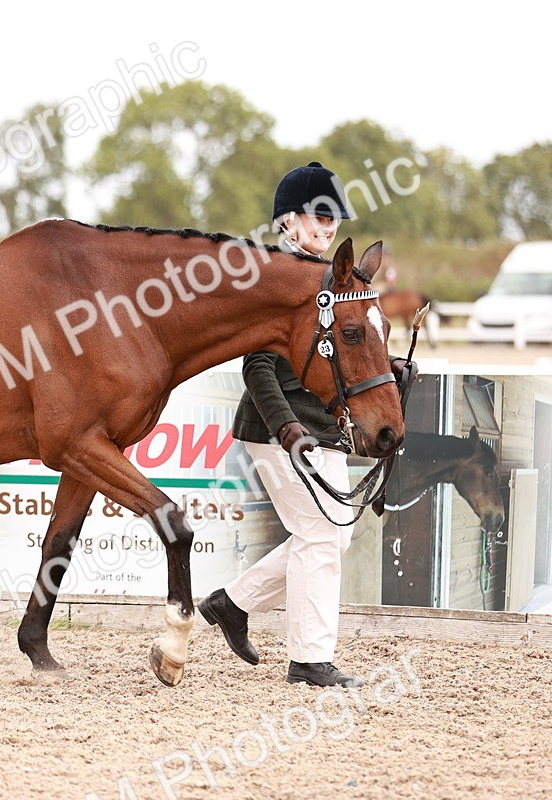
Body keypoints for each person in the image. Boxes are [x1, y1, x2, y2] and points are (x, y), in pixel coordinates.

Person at [197, 162, 408, 688]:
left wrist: (390, 371)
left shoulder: (340, 282)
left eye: (334, 217)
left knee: (330, 539)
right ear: (287, 221)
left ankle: (233, 603)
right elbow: (256, 366)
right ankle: (310, 660)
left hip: (327, 431)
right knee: (320, 534)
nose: (327, 226)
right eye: (318, 215)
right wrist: (287, 428)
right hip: (278, 431)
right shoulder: (276, 279)